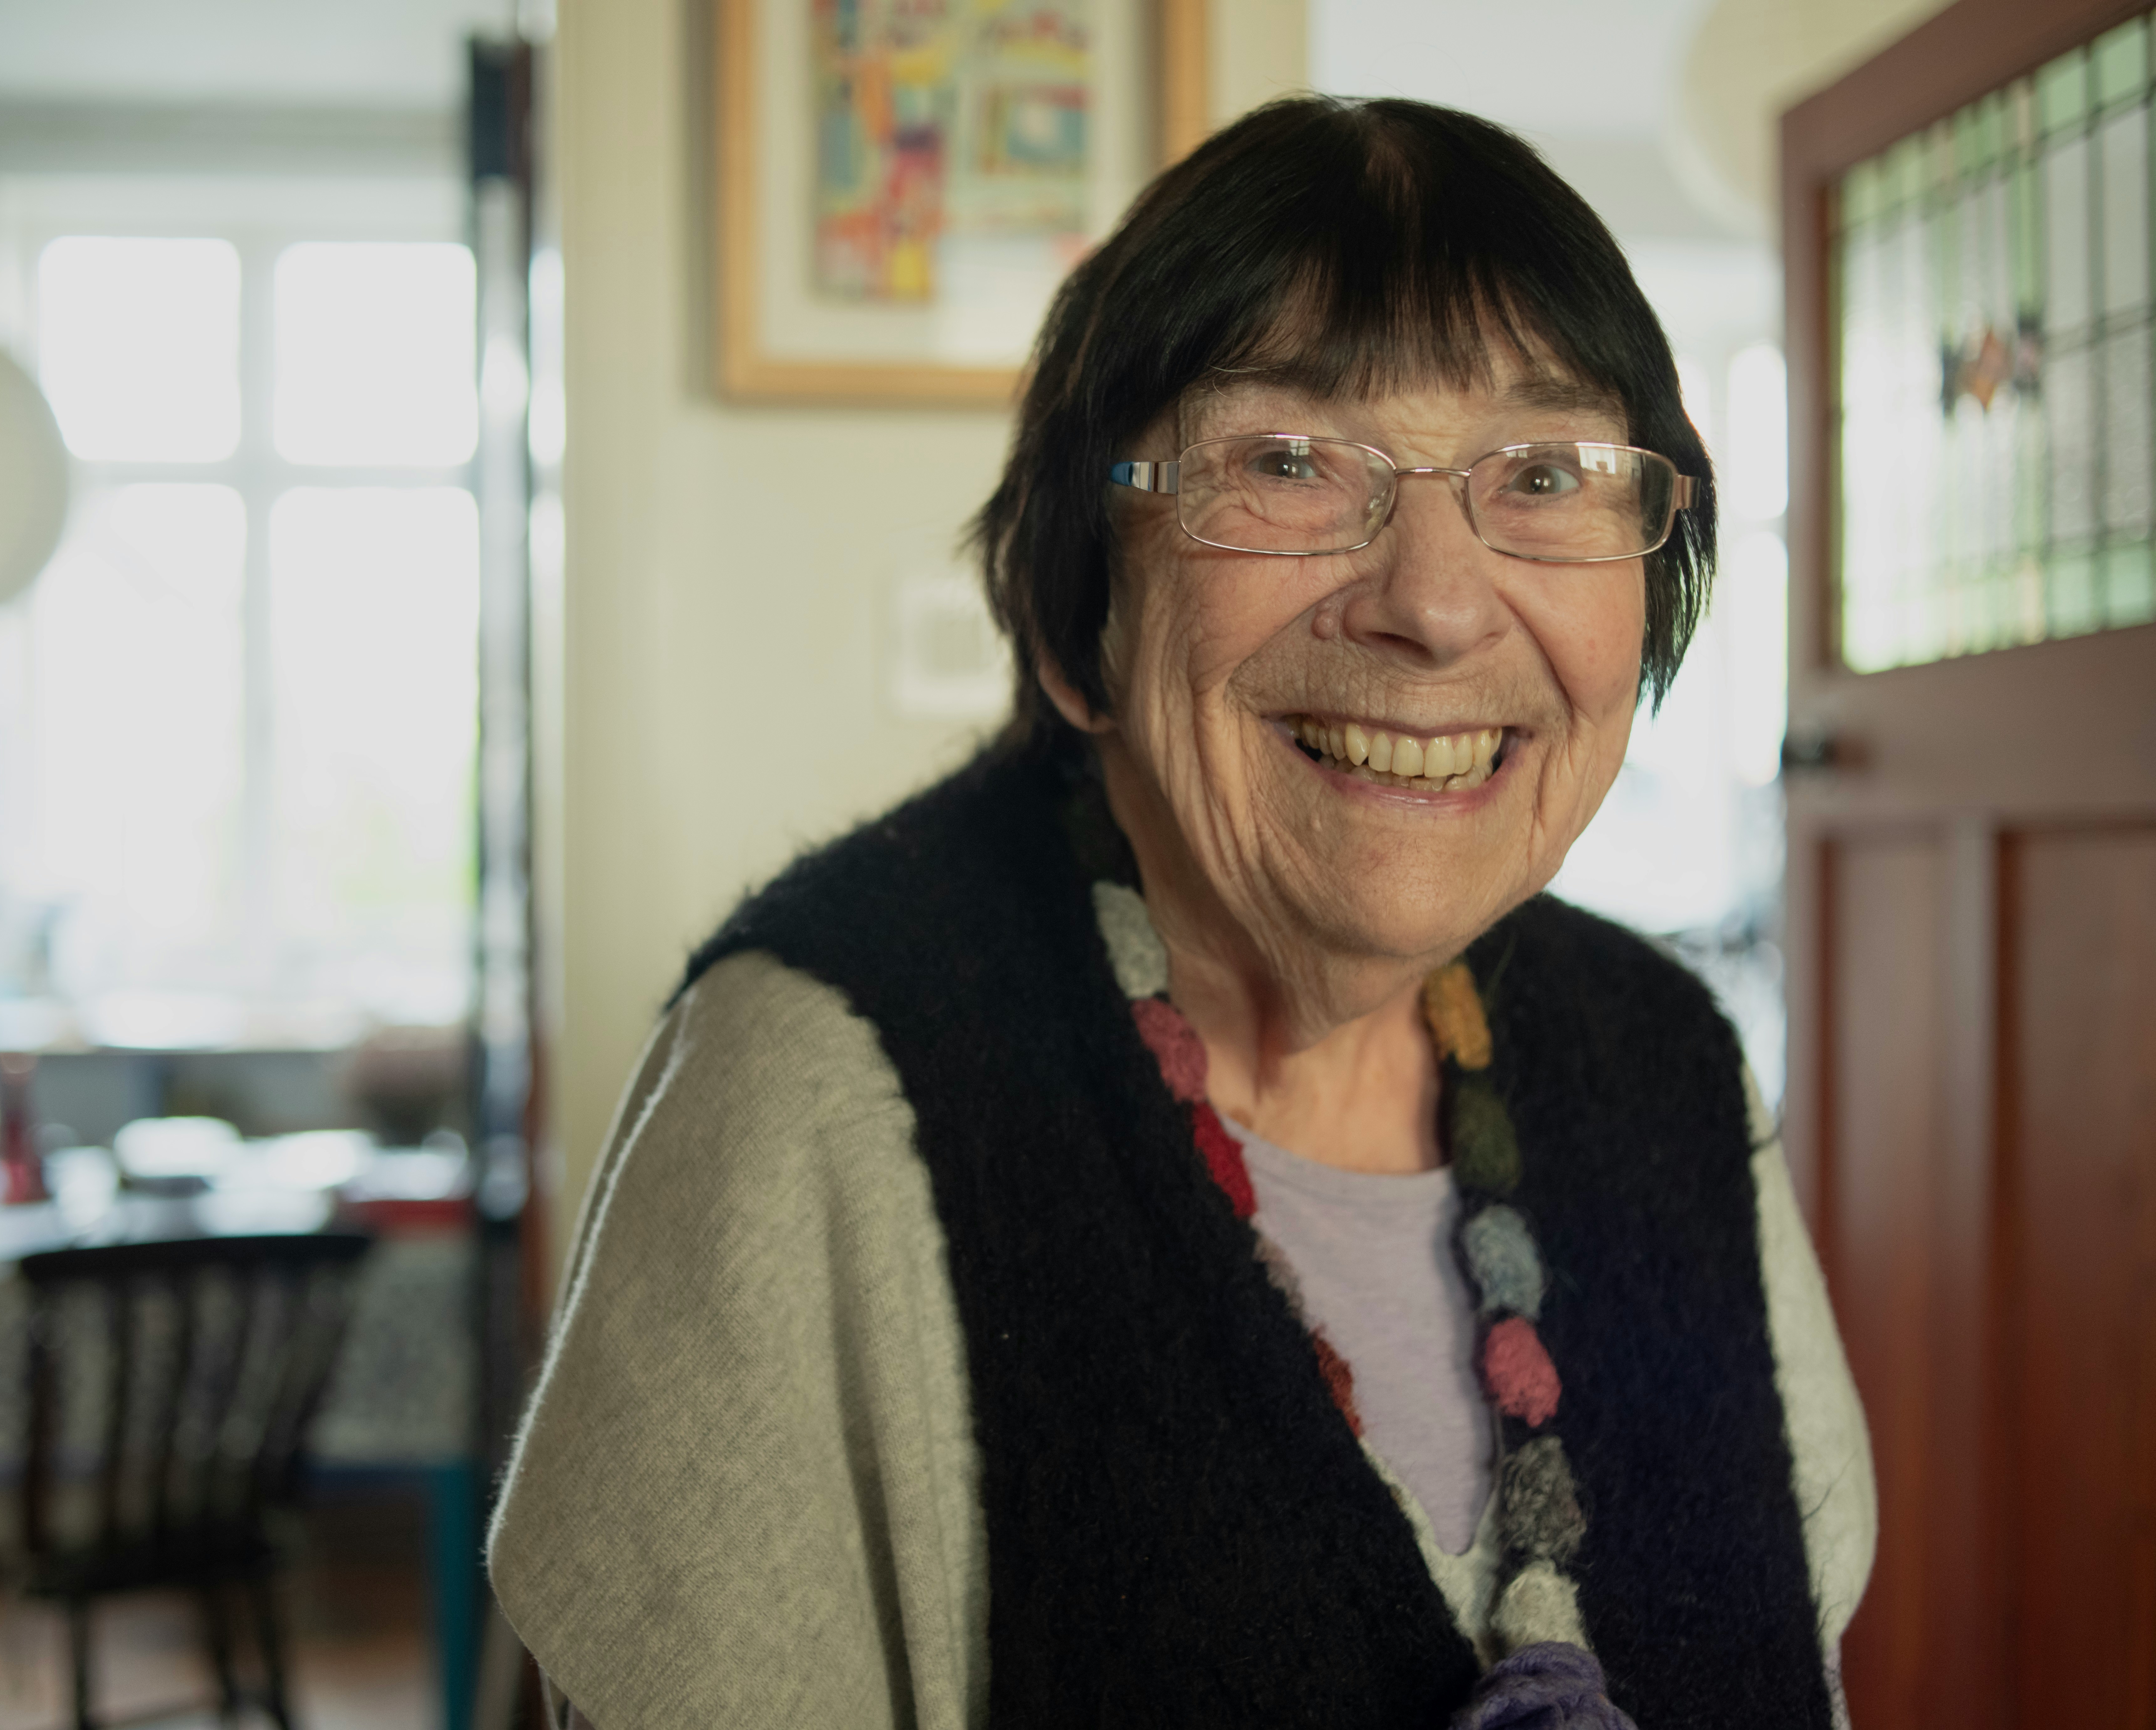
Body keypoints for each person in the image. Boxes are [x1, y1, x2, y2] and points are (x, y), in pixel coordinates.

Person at [489, 96, 1873, 1730]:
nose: (1434, 602)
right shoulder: (822, 1078)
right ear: (1086, 599)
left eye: (1545, 472)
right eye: (1287, 459)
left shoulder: (1665, 1065)